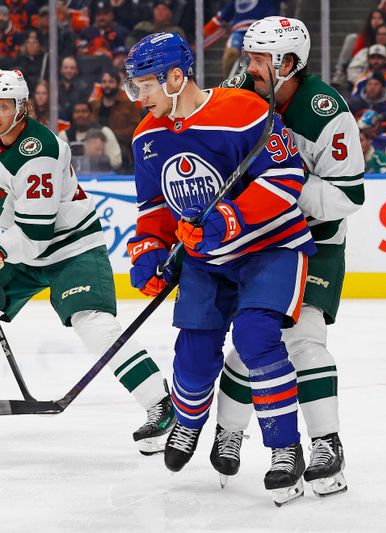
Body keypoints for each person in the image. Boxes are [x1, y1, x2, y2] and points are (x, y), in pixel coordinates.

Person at [124, 32, 316, 506]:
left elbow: (286, 176)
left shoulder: (243, 110)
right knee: (192, 356)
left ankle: (284, 448)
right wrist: (150, 249)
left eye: (144, 85)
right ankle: (187, 424)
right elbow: (154, 205)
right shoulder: (147, 135)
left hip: (271, 247)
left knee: (255, 339)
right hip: (207, 261)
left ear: (175, 77)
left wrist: (230, 217)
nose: (139, 97)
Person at [217, 16, 365, 497]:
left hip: (314, 242)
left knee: (303, 341)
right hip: (258, 240)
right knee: (254, 343)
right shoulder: (239, 93)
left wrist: (280, 192)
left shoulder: (326, 113)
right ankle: (230, 431)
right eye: (251, 56)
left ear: (288, 63)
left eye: (260, 59)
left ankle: (327, 444)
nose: (250, 66)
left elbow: (347, 196)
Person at [0, 68, 174, 455]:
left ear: (22, 108)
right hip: (21, 245)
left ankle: (161, 405)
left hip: (71, 249)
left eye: (3, 105)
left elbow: (35, 236)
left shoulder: (37, 152)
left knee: (94, 324)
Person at [202, 0, 280, 78]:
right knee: (231, 54)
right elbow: (222, 17)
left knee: (259, 59)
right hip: (240, 32)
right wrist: (203, 33)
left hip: (263, 31)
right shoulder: (235, 1)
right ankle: (228, 84)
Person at [89, 69, 141, 170]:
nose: (107, 85)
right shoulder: (94, 105)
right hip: (96, 154)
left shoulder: (128, 104)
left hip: (123, 153)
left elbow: (135, 130)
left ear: (118, 84)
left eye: (111, 81)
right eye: (104, 82)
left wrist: (111, 134)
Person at [58, 101, 122, 171]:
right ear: (72, 115)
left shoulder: (104, 131)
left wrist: (99, 159)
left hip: (103, 177)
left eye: (84, 111)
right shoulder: (64, 135)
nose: (81, 115)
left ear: (91, 114)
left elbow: (116, 161)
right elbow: (59, 163)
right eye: (77, 112)